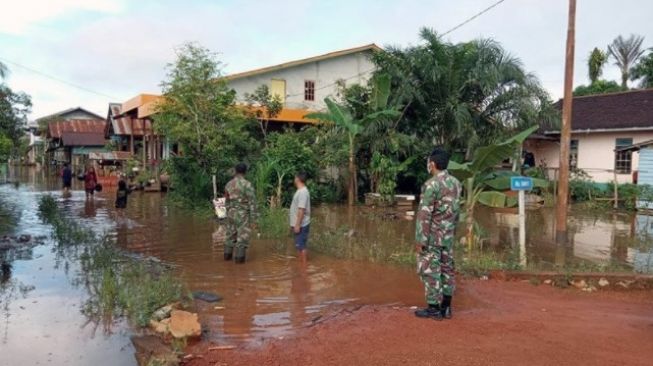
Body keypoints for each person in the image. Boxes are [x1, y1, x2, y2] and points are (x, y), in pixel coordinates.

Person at [415, 148, 461, 320]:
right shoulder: (456, 183)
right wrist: (453, 232)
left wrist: (420, 240)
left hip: (433, 236)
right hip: (448, 236)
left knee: (430, 270)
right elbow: (457, 212)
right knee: (447, 269)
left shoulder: (431, 185)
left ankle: (433, 308)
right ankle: (446, 307)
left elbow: (424, 215)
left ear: (432, 164)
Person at [224, 163, 257, 264]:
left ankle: (227, 259)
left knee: (230, 236)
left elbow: (226, 199)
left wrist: (226, 213)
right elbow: (252, 203)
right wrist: (254, 219)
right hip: (242, 214)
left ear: (235, 171)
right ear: (245, 172)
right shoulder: (247, 185)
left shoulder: (229, 184)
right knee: (242, 238)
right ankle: (239, 264)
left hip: (230, 213)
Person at [289, 172, 311, 264]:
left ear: (297, 179)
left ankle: (303, 269)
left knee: (301, 247)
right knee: (299, 246)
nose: (294, 179)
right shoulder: (301, 191)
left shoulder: (302, 192)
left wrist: (297, 225)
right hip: (299, 224)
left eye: (295, 178)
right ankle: (301, 266)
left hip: (301, 225)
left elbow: (301, 210)